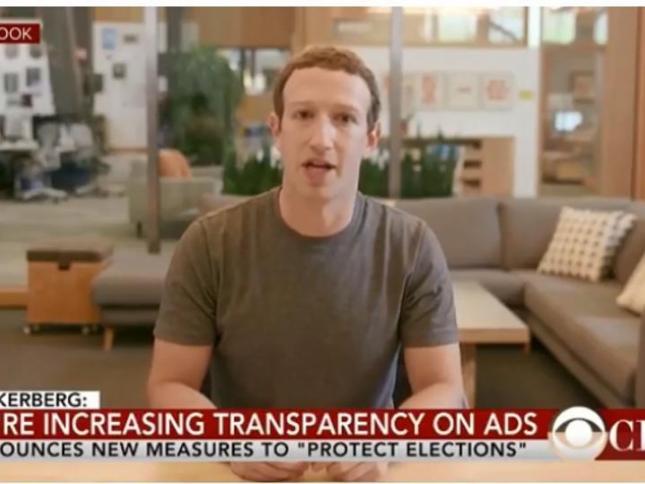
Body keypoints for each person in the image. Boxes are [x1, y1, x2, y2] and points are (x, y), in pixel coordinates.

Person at [148, 46, 464, 481]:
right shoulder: (209, 243)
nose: (321, 139)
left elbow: (445, 390)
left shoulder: (412, 247)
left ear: (371, 138)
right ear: (276, 130)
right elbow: (168, 385)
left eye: (344, 118)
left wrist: (388, 440)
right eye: (303, 115)